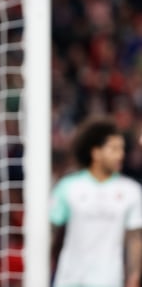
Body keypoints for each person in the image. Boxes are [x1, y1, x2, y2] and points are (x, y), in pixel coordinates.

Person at [50, 116, 142, 287]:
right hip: (69, 279)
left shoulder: (131, 191)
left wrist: (134, 277)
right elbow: (52, 230)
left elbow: (134, 239)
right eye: (114, 149)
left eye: (121, 149)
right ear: (96, 153)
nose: (120, 155)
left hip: (109, 280)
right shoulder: (68, 187)